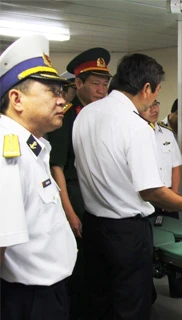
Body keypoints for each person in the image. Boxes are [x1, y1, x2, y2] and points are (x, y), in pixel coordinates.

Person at [72, 53, 182, 320]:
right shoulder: (136, 125)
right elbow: (151, 191)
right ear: (146, 88)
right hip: (126, 233)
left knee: (98, 302)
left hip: (94, 228)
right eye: (156, 90)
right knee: (131, 304)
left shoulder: (85, 114)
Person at [0, 34, 77, 320]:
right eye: (52, 92)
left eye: (62, 92)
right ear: (17, 99)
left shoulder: (32, 146)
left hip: (46, 293)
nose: (62, 101)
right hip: (27, 300)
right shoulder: (7, 151)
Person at [46, 47, 112, 320]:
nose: (101, 89)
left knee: (101, 270)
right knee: (80, 272)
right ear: (78, 83)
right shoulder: (66, 118)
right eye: (95, 83)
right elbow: (56, 167)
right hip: (76, 199)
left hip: (101, 201)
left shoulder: (105, 116)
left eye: (105, 84)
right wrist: (70, 214)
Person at [140, 99, 182, 219]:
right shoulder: (135, 135)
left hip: (169, 196)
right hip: (146, 197)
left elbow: (176, 166)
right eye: (148, 106)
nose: (154, 109)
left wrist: (173, 194)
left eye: (155, 104)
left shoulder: (167, 133)